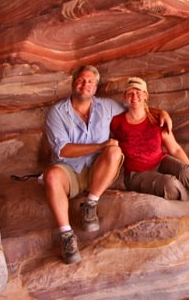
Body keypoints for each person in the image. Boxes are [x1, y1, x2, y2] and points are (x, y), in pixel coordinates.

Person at [44, 65, 172, 265]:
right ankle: (66, 236)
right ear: (73, 84)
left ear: (95, 87)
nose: (85, 85)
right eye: (80, 80)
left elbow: (136, 107)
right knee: (51, 175)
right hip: (69, 170)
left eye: (90, 82)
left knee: (114, 151)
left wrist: (160, 111)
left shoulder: (106, 106)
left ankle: (90, 204)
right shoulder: (57, 112)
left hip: (98, 171)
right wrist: (99, 145)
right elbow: (62, 150)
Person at [110, 77, 189, 208]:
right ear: (125, 97)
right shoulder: (116, 122)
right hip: (136, 174)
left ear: (145, 95)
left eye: (138, 92)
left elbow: (175, 149)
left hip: (160, 162)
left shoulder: (157, 120)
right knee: (170, 184)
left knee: (186, 172)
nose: (134, 96)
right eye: (130, 93)